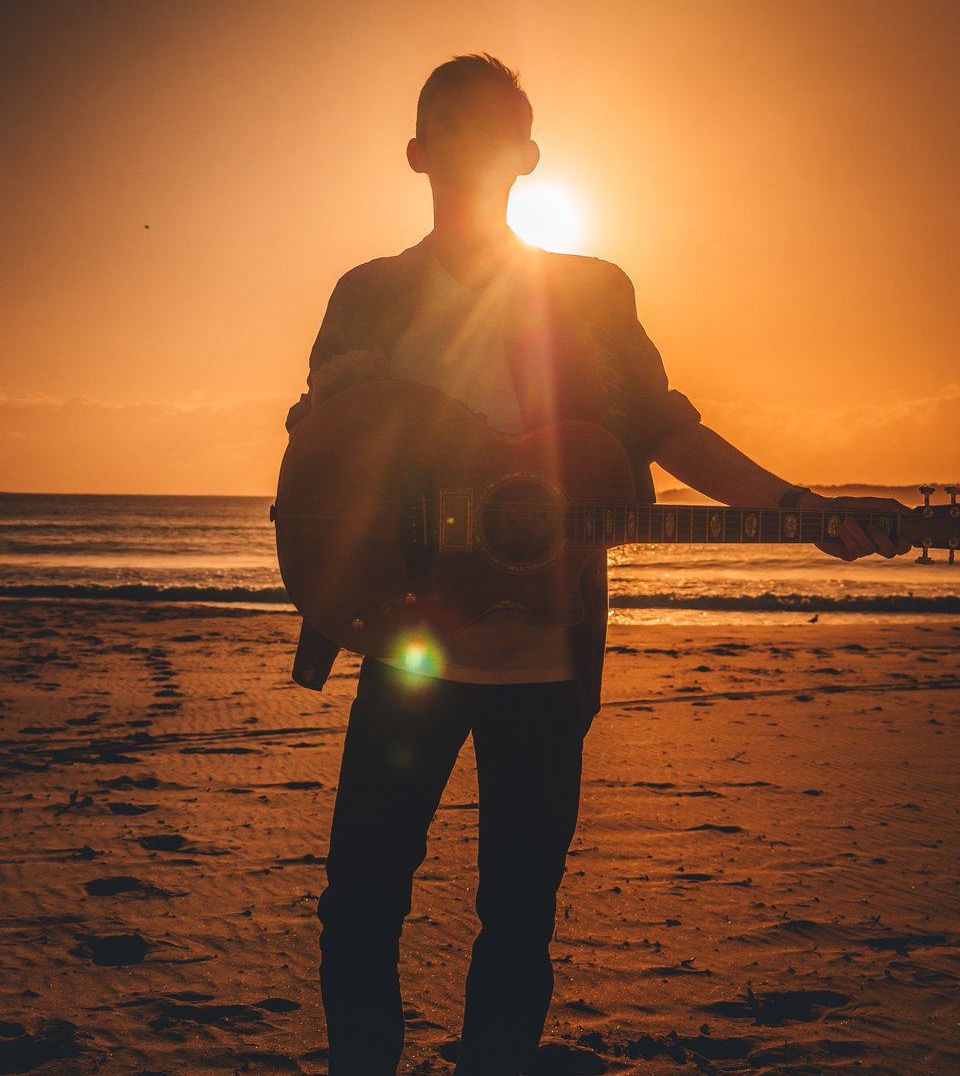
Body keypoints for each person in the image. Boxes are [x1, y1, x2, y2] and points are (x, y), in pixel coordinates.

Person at [284, 54, 909, 1076]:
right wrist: (339, 423)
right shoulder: (370, 294)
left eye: (498, 129)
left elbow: (665, 428)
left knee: (520, 907)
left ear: (528, 156)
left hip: (548, 651)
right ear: (416, 151)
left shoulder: (588, 293)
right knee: (360, 895)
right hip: (406, 648)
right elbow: (322, 460)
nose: (475, 146)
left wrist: (800, 508)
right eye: (453, 126)